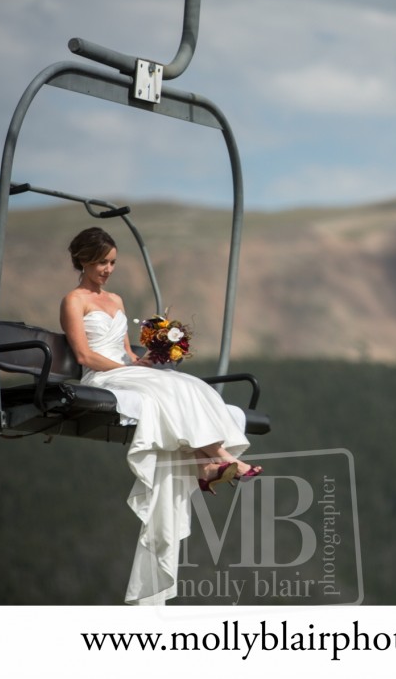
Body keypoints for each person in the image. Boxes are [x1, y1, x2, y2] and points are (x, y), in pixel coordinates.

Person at [60, 226, 261, 605]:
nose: (108, 269)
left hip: (123, 369)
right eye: (102, 262)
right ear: (83, 260)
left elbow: (126, 352)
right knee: (170, 390)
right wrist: (127, 370)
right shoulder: (73, 300)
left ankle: (206, 465)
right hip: (101, 375)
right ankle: (217, 458)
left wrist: (148, 360)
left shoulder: (116, 299)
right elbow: (86, 356)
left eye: (113, 262)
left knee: (190, 385)